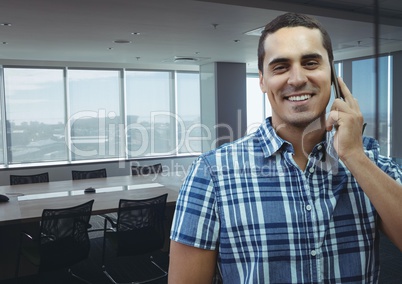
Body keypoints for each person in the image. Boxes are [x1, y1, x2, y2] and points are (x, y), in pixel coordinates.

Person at [168, 12, 402, 283]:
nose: (297, 79)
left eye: (311, 62)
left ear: (333, 75)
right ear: (262, 80)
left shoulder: (370, 162)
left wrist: (354, 157)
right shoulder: (212, 173)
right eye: (280, 67)